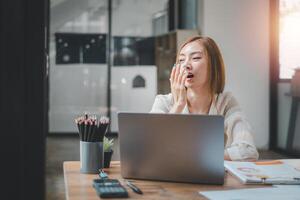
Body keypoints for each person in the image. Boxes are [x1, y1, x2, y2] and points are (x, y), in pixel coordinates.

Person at [150, 36, 259, 161]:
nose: (186, 65)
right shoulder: (164, 102)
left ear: (213, 65)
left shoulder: (226, 102)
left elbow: (248, 151)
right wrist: (178, 105)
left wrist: (194, 156)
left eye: (195, 58)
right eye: (181, 60)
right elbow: (152, 148)